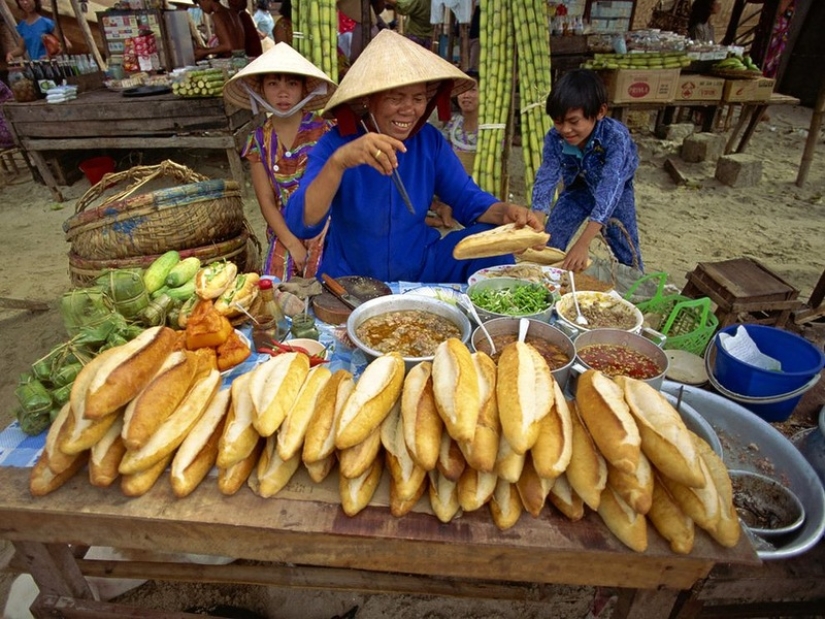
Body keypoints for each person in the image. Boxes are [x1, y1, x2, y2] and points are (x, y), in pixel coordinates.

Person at [285, 29, 543, 284]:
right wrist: (339, 163)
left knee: (493, 243)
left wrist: (506, 212)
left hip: (421, 266)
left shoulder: (428, 141)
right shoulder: (336, 144)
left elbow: (466, 197)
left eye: (418, 98)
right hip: (353, 277)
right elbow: (302, 224)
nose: (409, 109)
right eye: (395, 98)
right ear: (367, 100)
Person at [224, 43, 337, 280]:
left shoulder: (326, 131)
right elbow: (266, 201)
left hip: (327, 226)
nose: (283, 93)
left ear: (305, 89)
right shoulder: (258, 141)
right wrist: (292, 244)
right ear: (262, 90)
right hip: (284, 229)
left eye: (292, 84)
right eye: (273, 84)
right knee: (276, 289)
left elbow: (337, 189)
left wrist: (321, 231)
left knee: (327, 287)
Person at [531, 69, 642, 273]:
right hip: (578, 187)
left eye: (574, 121)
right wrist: (536, 226)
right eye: (558, 121)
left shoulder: (615, 137)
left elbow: (611, 189)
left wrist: (583, 244)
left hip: (616, 191)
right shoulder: (555, 138)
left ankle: (637, 294)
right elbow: (546, 178)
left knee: (626, 249)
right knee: (549, 242)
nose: (565, 129)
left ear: (600, 112)